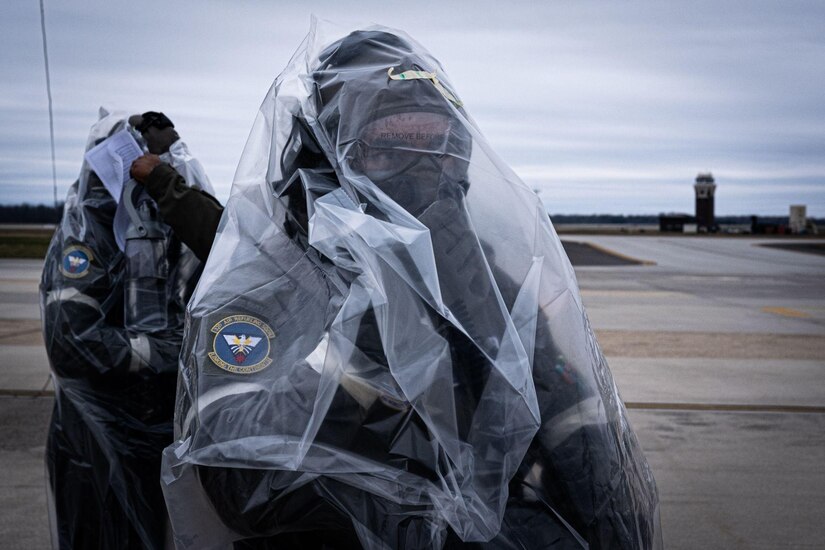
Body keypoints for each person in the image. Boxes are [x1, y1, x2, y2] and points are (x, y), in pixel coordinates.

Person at [160, 25, 662, 549]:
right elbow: (233, 476)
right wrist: (371, 347)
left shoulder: (480, 280)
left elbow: (565, 410)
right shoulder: (267, 283)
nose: (422, 170)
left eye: (439, 145)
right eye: (391, 146)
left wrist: (608, 501)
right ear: (327, 159)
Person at [40, 108, 212, 549]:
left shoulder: (176, 237)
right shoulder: (87, 238)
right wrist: (168, 353)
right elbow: (71, 343)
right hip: (95, 447)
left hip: (162, 437)